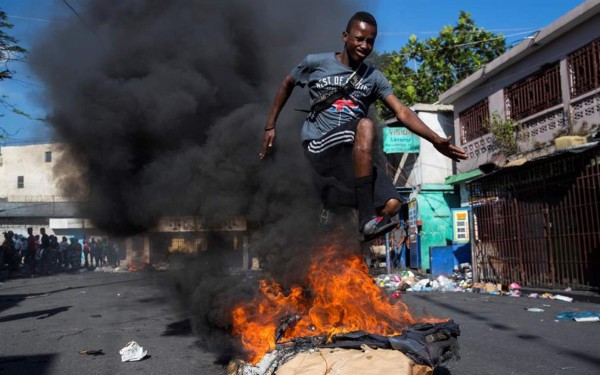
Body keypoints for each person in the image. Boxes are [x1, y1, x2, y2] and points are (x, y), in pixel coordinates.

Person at [260, 11, 467, 241]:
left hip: (352, 156)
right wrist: (270, 126)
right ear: (345, 36)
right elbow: (287, 82)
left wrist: (434, 139)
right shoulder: (316, 63)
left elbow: (402, 111)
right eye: (359, 38)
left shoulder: (373, 77)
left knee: (393, 204)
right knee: (366, 125)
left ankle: (337, 203)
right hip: (319, 144)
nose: (364, 45)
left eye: (370, 41)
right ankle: (365, 219)